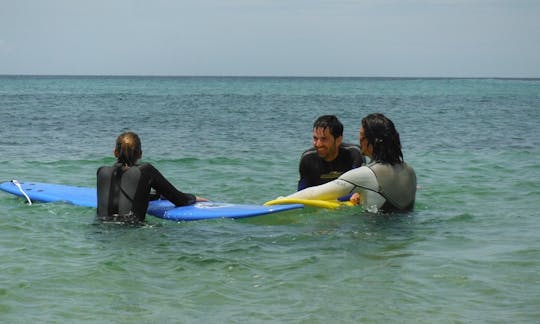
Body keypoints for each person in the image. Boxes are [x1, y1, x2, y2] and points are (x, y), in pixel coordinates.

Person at [286, 113, 416, 213]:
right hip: (406, 240)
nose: (358, 139)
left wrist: (279, 201)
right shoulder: (410, 171)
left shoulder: (366, 174)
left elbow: (313, 194)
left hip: (375, 237)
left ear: (372, 141)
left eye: (361, 136)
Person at [96, 131, 207, 223]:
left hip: (101, 227)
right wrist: (194, 198)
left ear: (115, 153)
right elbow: (179, 200)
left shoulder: (101, 172)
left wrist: (155, 196)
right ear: (140, 154)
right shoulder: (145, 170)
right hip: (132, 229)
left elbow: (129, 195)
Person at [298, 115, 365, 191]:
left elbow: (360, 189)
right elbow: (301, 193)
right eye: (315, 138)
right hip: (318, 201)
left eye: (324, 139)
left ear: (338, 140)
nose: (318, 144)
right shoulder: (307, 159)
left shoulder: (354, 154)